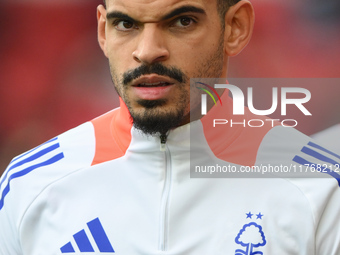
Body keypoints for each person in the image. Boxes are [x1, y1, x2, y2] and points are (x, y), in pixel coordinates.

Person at [0, 0, 339, 254]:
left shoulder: (320, 190)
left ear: (235, 28)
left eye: (182, 21)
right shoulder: (30, 187)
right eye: (126, 25)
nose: (147, 52)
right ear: (103, 31)